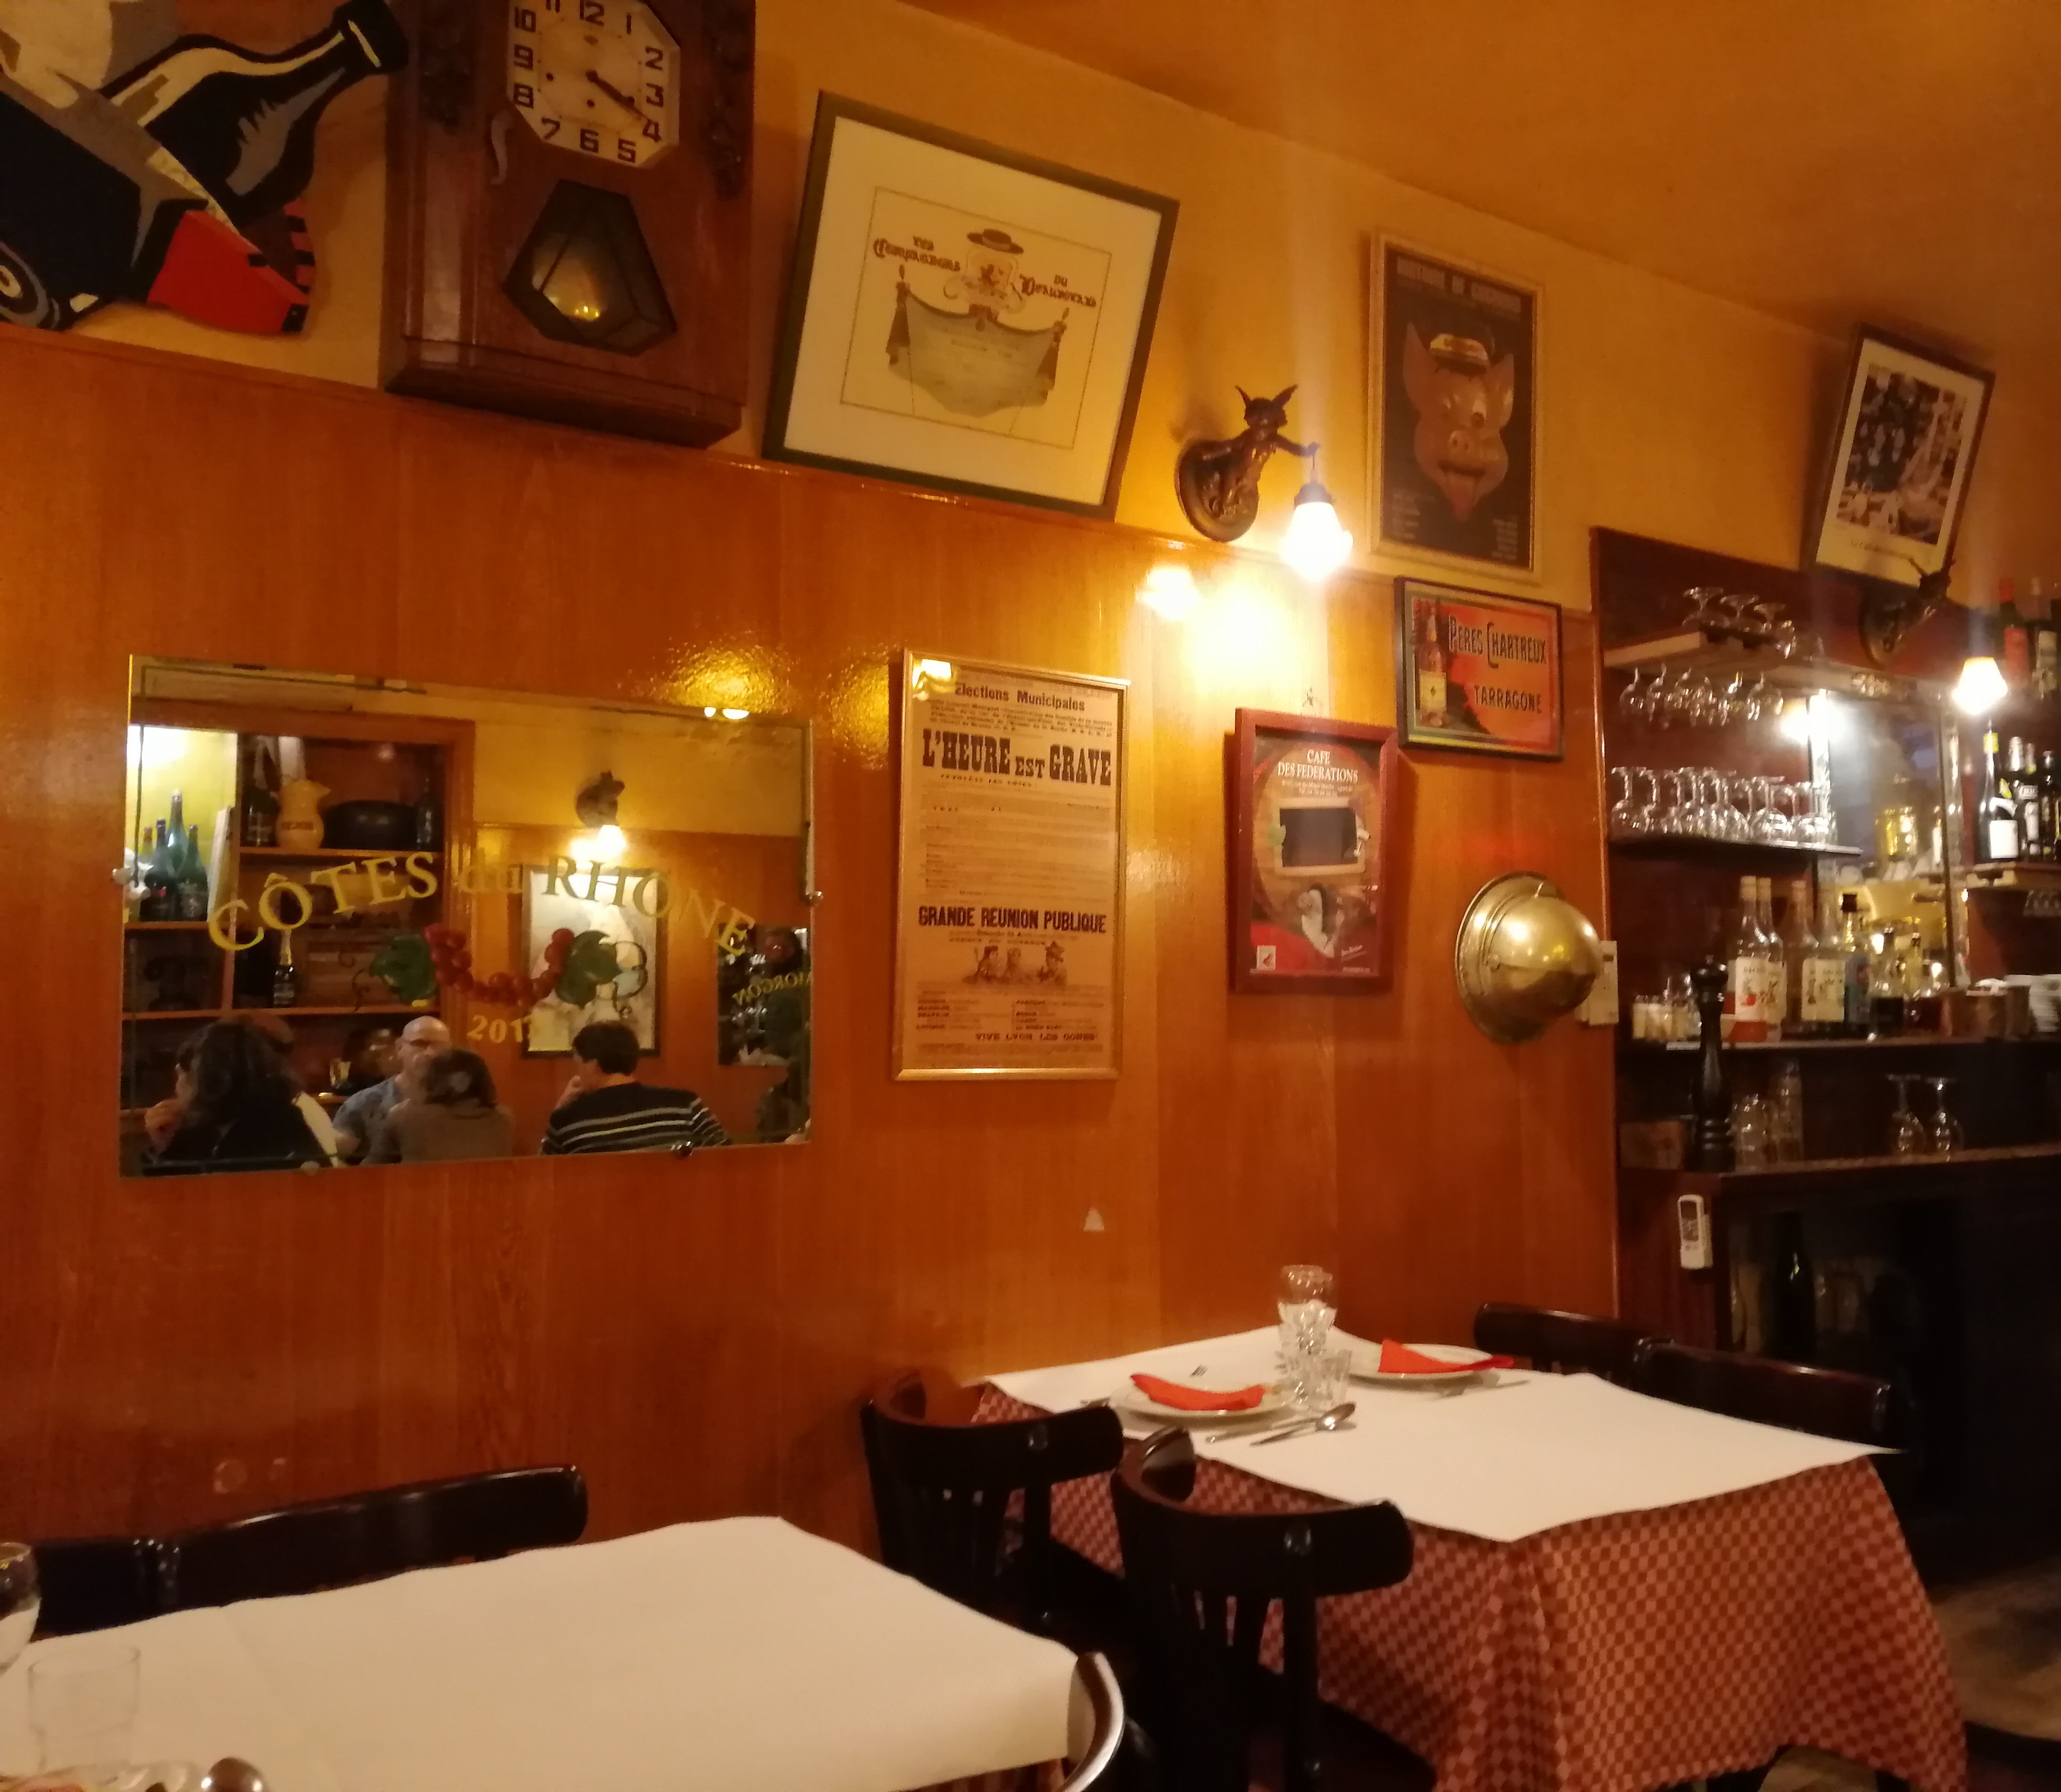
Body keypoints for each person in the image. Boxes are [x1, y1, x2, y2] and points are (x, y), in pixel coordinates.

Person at [144, 1020, 328, 1175]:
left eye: (184, 1075)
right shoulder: (204, 1126)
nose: (177, 1086)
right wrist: (164, 1146)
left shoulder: (277, 1125)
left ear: (211, 1079)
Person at [540, 1022, 729, 1155]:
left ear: (592, 1065)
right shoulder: (685, 1104)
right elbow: (727, 1156)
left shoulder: (568, 1121)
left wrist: (560, 1108)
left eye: (578, 1063)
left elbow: (546, 1174)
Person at [333, 1015, 449, 1162]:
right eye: (420, 1044)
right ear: (399, 1048)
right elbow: (336, 1162)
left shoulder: (463, 1104)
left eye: (439, 1046)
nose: (430, 1053)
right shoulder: (363, 1104)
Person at [367, 1050, 514, 1164]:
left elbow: (372, 1170)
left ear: (431, 1079)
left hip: (422, 1193)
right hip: (488, 1194)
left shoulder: (405, 1115)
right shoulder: (504, 1118)